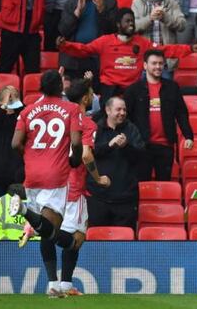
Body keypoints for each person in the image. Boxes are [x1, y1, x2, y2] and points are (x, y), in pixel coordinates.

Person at [8, 71, 84, 296]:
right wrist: (74, 159)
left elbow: (14, 144)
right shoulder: (71, 109)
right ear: (61, 86)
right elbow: (77, 142)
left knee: (44, 229)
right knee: (52, 230)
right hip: (56, 175)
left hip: (32, 174)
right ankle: (23, 210)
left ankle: (52, 284)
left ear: (40, 88)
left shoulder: (28, 110)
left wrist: (29, 154)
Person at [45, 77, 108, 298]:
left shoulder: (57, 117)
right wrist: (99, 178)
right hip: (72, 186)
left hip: (49, 183)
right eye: (91, 93)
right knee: (77, 238)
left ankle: (61, 285)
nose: (93, 97)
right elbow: (86, 154)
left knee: (64, 234)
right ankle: (47, 234)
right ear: (85, 98)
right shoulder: (86, 123)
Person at [58, 8, 197, 103]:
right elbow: (84, 49)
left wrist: (190, 48)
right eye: (127, 21)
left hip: (132, 91)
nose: (131, 24)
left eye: (132, 20)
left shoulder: (142, 43)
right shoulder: (105, 41)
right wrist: (65, 45)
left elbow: (164, 51)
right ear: (118, 25)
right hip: (109, 90)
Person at [123, 50, 193, 182]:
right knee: (142, 186)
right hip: (141, 146)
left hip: (165, 146)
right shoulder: (133, 89)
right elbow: (126, 117)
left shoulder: (172, 87)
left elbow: (181, 113)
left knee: (164, 185)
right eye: (154, 63)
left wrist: (188, 135)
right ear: (145, 65)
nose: (158, 66)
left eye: (161, 63)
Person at [87, 96, 145, 230]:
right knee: (97, 239)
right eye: (118, 109)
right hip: (98, 197)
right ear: (108, 110)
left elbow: (141, 158)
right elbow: (88, 153)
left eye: (124, 110)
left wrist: (126, 146)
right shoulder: (95, 128)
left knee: (124, 242)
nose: (123, 113)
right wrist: (109, 145)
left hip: (125, 199)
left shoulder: (131, 129)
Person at [57, 0, 118, 77]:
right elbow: (63, 31)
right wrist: (77, 13)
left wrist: (102, 10)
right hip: (74, 60)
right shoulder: (72, 2)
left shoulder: (110, 2)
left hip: (99, 59)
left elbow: (113, 31)